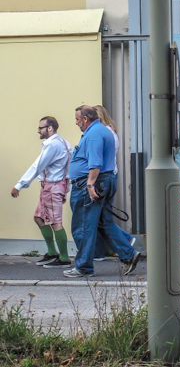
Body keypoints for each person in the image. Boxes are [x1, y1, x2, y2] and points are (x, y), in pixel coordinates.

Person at [64, 105, 140, 278]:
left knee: (83, 226)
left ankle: (83, 267)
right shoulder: (103, 130)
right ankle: (128, 254)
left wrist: (90, 185)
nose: (76, 123)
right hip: (104, 181)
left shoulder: (94, 134)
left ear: (85, 119)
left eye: (77, 119)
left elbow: (95, 162)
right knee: (103, 222)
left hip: (88, 184)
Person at [10, 116, 72, 268]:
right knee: (39, 218)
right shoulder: (62, 143)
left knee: (56, 222)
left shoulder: (53, 145)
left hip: (53, 186)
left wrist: (20, 184)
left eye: (41, 128)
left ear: (50, 128)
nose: (38, 130)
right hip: (52, 186)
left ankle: (64, 258)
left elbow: (38, 165)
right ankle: (52, 253)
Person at [92, 104, 135, 261]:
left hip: (103, 177)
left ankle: (126, 246)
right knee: (103, 218)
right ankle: (125, 242)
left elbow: (98, 157)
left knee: (104, 219)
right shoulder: (111, 132)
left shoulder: (103, 133)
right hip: (110, 176)